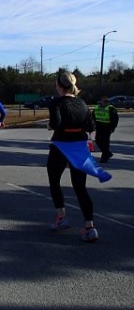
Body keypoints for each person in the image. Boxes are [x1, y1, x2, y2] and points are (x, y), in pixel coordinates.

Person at [46, 72, 98, 242]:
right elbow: (91, 127)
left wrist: (50, 126)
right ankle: (90, 227)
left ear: (59, 86)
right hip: (79, 146)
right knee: (80, 187)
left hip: (61, 146)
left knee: (55, 182)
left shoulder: (56, 102)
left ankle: (61, 217)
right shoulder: (82, 103)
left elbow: (55, 123)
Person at [92, 96, 119, 163]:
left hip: (107, 128)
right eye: (105, 101)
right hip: (99, 127)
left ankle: (104, 158)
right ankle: (107, 153)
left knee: (105, 143)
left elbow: (115, 119)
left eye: (108, 101)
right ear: (101, 101)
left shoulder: (111, 109)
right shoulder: (96, 108)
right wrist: (93, 125)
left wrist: (112, 128)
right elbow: (93, 117)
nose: (107, 103)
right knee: (98, 141)